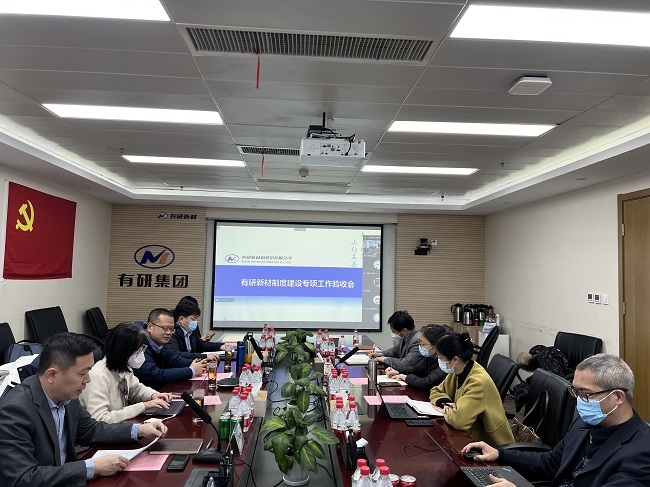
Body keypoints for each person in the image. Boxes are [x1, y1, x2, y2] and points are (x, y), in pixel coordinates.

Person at [0, 332, 167, 487]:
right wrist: (90, 467)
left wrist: (139, 430)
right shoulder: (15, 410)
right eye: (82, 373)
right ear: (52, 375)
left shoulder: (67, 395)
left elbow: (90, 430)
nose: (88, 380)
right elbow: (22, 477)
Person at [462, 353, 650, 487]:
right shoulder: (584, 424)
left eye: (585, 393)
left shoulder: (642, 452)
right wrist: (500, 454)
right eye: (575, 391)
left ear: (618, 397)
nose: (578, 401)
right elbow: (550, 463)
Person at [429, 331, 514, 446]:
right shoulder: (457, 371)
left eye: (441, 357)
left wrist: (447, 412)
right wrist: (445, 403)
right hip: (469, 434)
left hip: (490, 445)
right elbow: (435, 391)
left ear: (455, 359)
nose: (439, 360)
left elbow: (459, 421)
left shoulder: (476, 383)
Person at [80, 322, 174, 423]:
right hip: (104, 431)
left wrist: (153, 395)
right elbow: (100, 419)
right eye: (138, 350)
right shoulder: (99, 376)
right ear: (123, 351)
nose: (141, 353)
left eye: (142, 348)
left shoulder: (123, 367)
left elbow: (136, 390)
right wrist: (143, 406)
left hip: (120, 426)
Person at [133, 308, 208, 389]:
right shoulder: (138, 346)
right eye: (164, 328)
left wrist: (198, 364)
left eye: (171, 329)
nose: (169, 333)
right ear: (150, 327)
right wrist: (191, 371)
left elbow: (174, 359)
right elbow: (154, 375)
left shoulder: (160, 343)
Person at [385, 324, 451, 390]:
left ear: (436, 346)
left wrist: (406, 377)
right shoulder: (429, 357)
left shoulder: (445, 363)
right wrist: (397, 371)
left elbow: (426, 383)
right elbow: (416, 369)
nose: (420, 346)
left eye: (423, 344)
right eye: (420, 343)